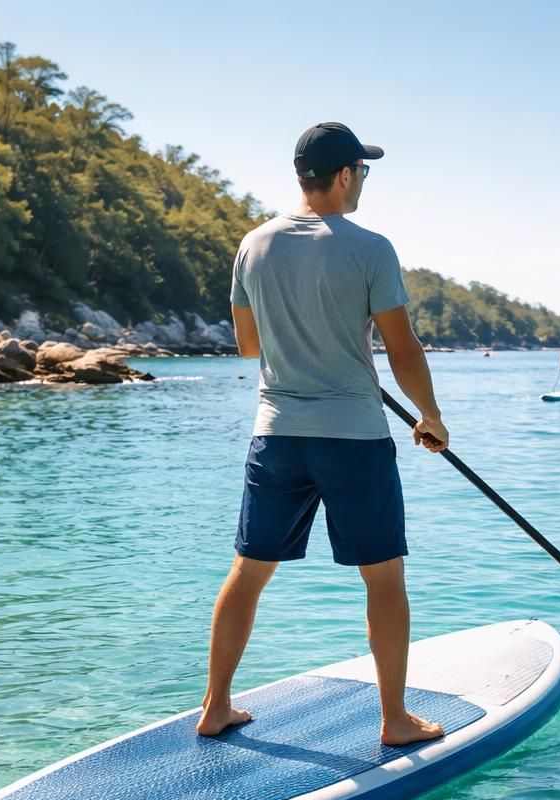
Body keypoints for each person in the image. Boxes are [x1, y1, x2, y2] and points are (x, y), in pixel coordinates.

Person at [196, 122, 449, 747]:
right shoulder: (371, 249)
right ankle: (394, 720)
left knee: (249, 570)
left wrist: (301, 338)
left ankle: (216, 706)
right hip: (354, 438)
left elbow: (249, 346)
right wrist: (430, 415)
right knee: (383, 577)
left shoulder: (253, 244)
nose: (363, 180)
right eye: (362, 170)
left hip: (277, 435)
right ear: (343, 175)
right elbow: (402, 349)